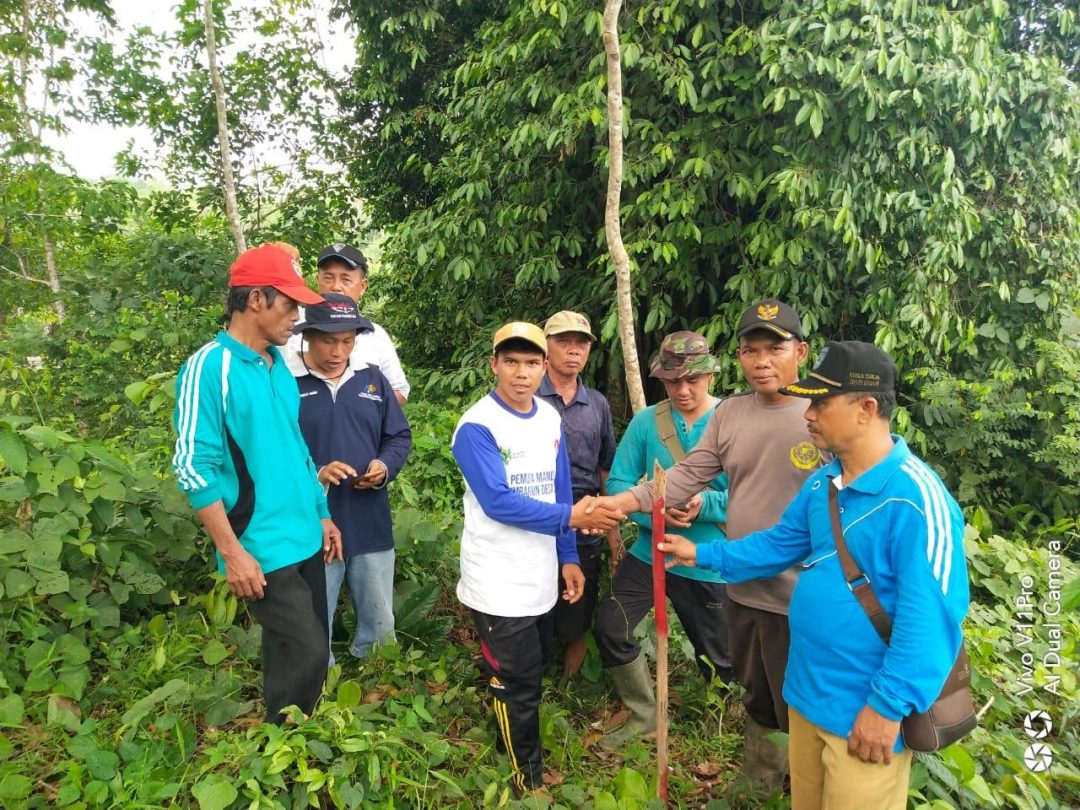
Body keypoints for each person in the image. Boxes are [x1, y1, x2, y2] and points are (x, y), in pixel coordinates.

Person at [658, 340, 969, 810]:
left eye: (820, 402)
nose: (808, 413)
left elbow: (931, 619)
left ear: (866, 408)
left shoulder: (916, 500)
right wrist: (702, 554)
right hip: (805, 697)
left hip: (864, 713)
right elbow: (778, 545)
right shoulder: (825, 482)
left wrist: (886, 707)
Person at [592, 299, 821, 795]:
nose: (762, 361)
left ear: (800, 351)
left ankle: (805, 785)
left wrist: (706, 513)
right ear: (738, 356)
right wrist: (614, 506)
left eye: (774, 349)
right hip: (736, 573)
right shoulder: (732, 416)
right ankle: (759, 785)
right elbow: (679, 479)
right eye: (751, 350)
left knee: (797, 694)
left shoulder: (821, 414)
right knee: (760, 690)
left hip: (797, 585)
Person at [171, 243, 343, 724]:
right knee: (307, 650)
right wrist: (232, 552)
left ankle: (294, 737)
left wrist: (323, 514)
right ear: (254, 301)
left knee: (303, 648)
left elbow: (297, 450)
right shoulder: (210, 367)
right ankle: (283, 746)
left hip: (305, 535)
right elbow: (192, 465)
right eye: (289, 304)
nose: (297, 315)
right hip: (260, 545)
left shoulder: (277, 368)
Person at [450, 321, 623, 797]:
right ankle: (527, 778)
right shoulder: (476, 426)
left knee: (532, 665)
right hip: (497, 579)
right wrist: (572, 518)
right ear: (495, 365)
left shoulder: (548, 418)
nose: (521, 373)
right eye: (511, 362)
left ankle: (517, 736)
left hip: (541, 572)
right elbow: (499, 502)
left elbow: (559, 486)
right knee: (518, 681)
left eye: (530, 363)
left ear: (543, 367)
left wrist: (567, 555)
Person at [594, 331, 734, 749]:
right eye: (674, 382)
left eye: (693, 380)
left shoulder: (734, 420)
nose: (684, 390)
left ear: (710, 375)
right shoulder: (647, 422)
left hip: (707, 557)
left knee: (719, 652)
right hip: (649, 551)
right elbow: (618, 481)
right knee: (610, 624)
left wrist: (704, 505)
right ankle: (643, 715)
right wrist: (653, 512)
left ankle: (719, 720)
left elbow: (756, 493)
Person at [291, 293, 413, 663]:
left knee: (379, 613)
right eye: (328, 340)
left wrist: (383, 468)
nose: (337, 351)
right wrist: (318, 473)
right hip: (313, 523)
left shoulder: (371, 380)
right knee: (313, 615)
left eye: (347, 340)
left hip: (368, 515)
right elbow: (275, 452)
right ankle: (317, 684)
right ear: (307, 336)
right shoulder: (287, 384)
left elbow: (398, 436)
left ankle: (378, 673)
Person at [537, 310, 621, 680]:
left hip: (586, 514)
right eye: (563, 342)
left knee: (578, 599)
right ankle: (533, 672)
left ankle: (569, 686)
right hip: (536, 512)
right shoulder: (527, 394)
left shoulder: (597, 404)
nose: (573, 350)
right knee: (535, 593)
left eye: (581, 343)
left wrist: (613, 526)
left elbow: (606, 467)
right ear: (546, 346)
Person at [284, 243, 410, 406]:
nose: (336, 287)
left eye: (346, 279)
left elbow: (400, 389)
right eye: (328, 278)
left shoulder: (375, 335)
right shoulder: (290, 324)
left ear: (363, 286)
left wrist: (360, 408)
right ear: (318, 280)